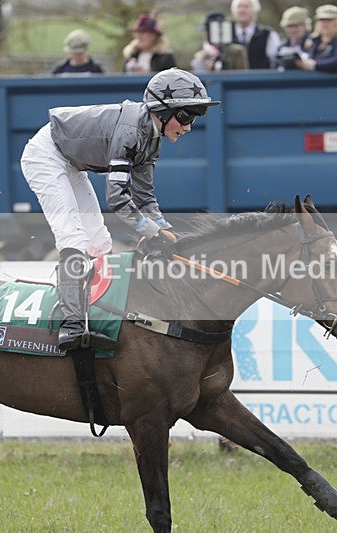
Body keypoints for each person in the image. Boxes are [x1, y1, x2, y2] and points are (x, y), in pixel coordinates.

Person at [20, 68, 220, 351]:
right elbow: (117, 199)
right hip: (46, 156)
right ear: (160, 112)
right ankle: (72, 325)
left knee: (100, 241)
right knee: (73, 237)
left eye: (194, 118)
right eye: (185, 117)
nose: (188, 127)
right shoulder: (129, 133)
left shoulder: (151, 138)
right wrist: (151, 231)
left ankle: (97, 317)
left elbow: (145, 197)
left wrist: (166, 231)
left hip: (71, 161)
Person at [295, 4, 337, 73]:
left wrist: (315, 65)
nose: (325, 23)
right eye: (322, 20)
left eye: (329, 20)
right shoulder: (312, 42)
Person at [230, 0, 280, 69]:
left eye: (246, 7)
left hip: (261, 78)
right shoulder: (227, 34)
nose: (242, 10)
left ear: (255, 12)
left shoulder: (268, 34)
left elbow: (276, 62)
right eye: (239, 6)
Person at [275, 6, 313, 71]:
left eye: (296, 26)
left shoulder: (313, 43)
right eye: (289, 26)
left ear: (305, 26)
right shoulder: (282, 47)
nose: (293, 30)